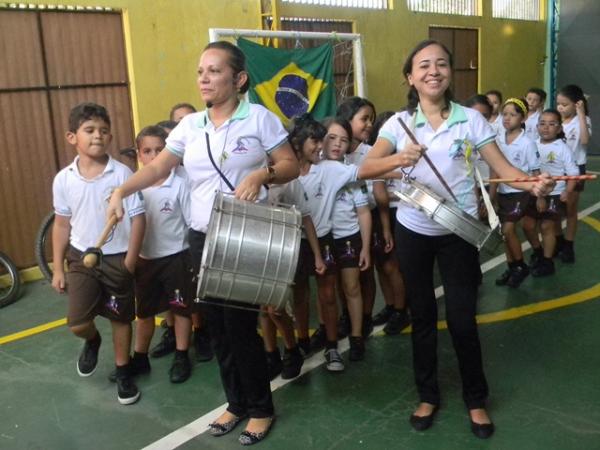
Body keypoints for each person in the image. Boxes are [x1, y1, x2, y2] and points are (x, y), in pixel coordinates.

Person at [359, 40, 554, 439]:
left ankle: (476, 399)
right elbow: (366, 168)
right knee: (423, 317)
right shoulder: (397, 124)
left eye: (442, 64)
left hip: (459, 231)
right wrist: (399, 158)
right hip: (414, 229)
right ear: (410, 76)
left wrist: (533, 184)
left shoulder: (471, 120)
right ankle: (427, 395)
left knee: (463, 320)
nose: (434, 71)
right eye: (424, 65)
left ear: (450, 73)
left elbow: (504, 168)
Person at [107, 41, 299, 445]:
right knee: (215, 325)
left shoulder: (259, 118)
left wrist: (261, 175)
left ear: (239, 78)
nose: (204, 79)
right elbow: (160, 165)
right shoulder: (191, 126)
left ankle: (261, 407)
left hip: (244, 233)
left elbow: (290, 165)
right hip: (201, 236)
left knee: (242, 324)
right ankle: (236, 402)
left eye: (214, 71)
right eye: (200, 71)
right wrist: (121, 191)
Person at [51, 102, 145, 405]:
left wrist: (131, 259)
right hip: (81, 257)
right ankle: (92, 340)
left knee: (120, 318)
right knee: (77, 321)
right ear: (71, 137)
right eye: (89, 130)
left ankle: (123, 370)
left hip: (117, 257)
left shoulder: (123, 175)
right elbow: (62, 225)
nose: (98, 136)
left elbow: (139, 217)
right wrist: (57, 268)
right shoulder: (63, 179)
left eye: (104, 131)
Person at [122, 125, 195, 384]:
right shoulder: (134, 186)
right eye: (147, 151)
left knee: (181, 310)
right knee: (144, 313)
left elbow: (190, 222)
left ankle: (182, 354)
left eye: (159, 150)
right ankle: (139, 359)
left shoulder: (181, 180)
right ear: (140, 155)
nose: (154, 156)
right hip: (145, 259)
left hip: (176, 256)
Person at [289, 114, 360, 371]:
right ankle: (302, 342)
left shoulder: (328, 170)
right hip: (294, 242)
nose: (321, 147)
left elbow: (364, 170)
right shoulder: (284, 172)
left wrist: (400, 163)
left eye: (322, 141)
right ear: (297, 142)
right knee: (299, 295)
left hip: (323, 239)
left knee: (328, 294)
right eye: (315, 141)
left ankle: (332, 347)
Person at [322, 117, 371, 360]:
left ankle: (356, 335)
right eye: (332, 138)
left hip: (349, 238)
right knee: (328, 291)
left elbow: (363, 213)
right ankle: (329, 336)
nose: (338, 144)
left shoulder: (353, 175)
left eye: (344, 140)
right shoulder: (313, 171)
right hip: (323, 240)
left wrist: (366, 249)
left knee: (352, 287)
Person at [490, 98, 541, 288]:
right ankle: (512, 266)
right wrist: (492, 195)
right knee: (505, 235)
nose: (507, 118)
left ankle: (520, 266)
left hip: (520, 193)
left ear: (523, 117)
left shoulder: (527, 143)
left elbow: (535, 173)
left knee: (508, 230)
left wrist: (540, 197)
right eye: (505, 114)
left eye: (513, 114)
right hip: (503, 192)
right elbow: (495, 169)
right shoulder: (497, 140)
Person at [522, 109, 578, 276]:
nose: (546, 128)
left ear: (560, 128)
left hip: (555, 194)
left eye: (552, 124)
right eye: (542, 123)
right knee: (528, 225)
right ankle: (538, 252)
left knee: (547, 226)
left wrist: (567, 192)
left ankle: (547, 262)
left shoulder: (563, 148)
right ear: (537, 126)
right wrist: (536, 194)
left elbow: (573, 175)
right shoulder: (531, 145)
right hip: (535, 192)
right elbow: (529, 171)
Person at [555, 84, 592, 262]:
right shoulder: (555, 120)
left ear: (576, 104)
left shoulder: (582, 121)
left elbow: (584, 140)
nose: (560, 108)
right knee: (554, 210)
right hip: (556, 170)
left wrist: (582, 114)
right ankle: (558, 241)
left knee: (570, 209)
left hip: (576, 169)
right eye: (558, 104)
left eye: (564, 104)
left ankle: (568, 246)